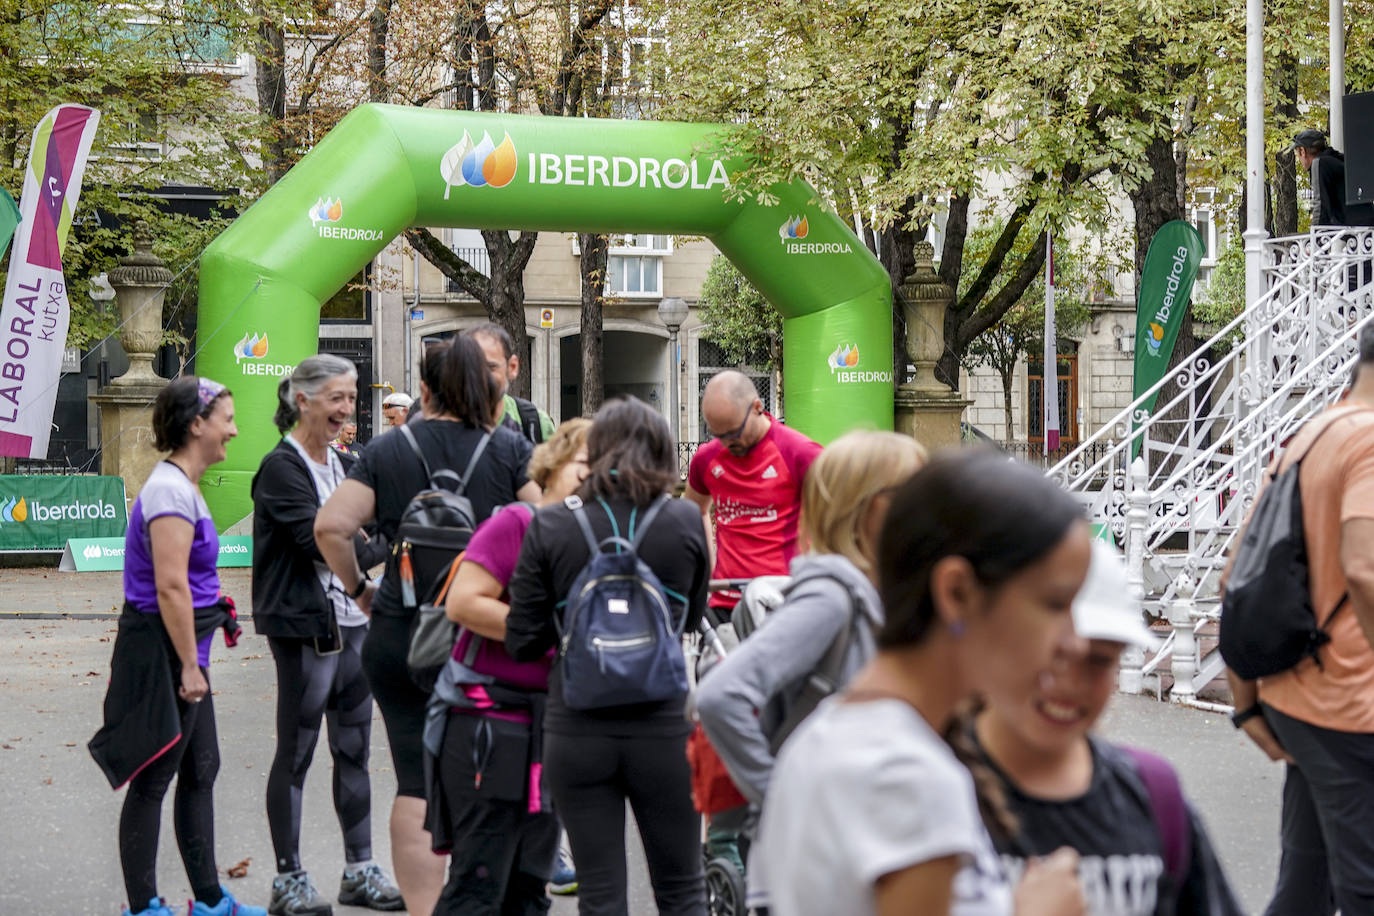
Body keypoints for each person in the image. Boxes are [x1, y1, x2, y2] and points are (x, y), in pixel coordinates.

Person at [753, 449, 1090, 916]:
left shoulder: (822, 739)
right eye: (1054, 604)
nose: (1074, 642)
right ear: (957, 593)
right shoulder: (906, 777)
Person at [316, 336, 541, 916]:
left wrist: (362, 590)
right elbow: (545, 531)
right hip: (480, 636)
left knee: (414, 777)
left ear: (423, 388)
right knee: (491, 774)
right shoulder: (508, 447)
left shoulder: (390, 449)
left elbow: (332, 528)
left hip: (402, 633)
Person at [694, 430, 926, 901]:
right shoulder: (830, 596)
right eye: (912, 494)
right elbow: (720, 697)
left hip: (861, 845)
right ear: (865, 507)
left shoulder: (880, 592)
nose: (927, 508)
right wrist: (785, 796)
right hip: (820, 864)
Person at [506, 397, 711, 916]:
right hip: (664, 724)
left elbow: (522, 639)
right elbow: (688, 620)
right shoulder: (684, 520)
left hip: (576, 724)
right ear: (663, 451)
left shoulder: (550, 526)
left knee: (600, 891)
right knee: (683, 887)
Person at [968, 541, 1244, 916]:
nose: (1069, 683)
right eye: (1053, 653)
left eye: (1099, 661)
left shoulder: (1152, 795)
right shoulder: (928, 797)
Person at [90, 377, 267, 916]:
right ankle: (144, 907)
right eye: (227, 419)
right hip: (164, 655)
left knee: (200, 769)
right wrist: (190, 665)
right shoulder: (168, 491)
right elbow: (170, 586)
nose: (234, 430)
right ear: (197, 424)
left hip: (187, 654)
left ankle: (210, 901)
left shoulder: (182, 487)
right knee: (154, 778)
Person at [1225, 323, 1374, 916]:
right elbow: (1364, 569)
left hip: (1298, 700)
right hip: (1349, 706)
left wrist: (1248, 705)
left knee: (1304, 891)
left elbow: (1235, 571)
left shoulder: (1311, 436)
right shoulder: (1368, 443)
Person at [251, 355, 402, 915]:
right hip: (306, 628)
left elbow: (365, 535)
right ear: (302, 399)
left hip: (355, 624)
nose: (347, 409)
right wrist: (373, 538)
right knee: (297, 751)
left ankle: (359, 869)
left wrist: (367, 538)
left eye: (352, 396)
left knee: (355, 749)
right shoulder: (280, 469)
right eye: (337, 398)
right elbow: (323, 546)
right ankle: (288, 879)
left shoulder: (344, 465)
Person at [431, 418, 592, 913]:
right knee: (477, 888)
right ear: (554, 464)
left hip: (551, 729)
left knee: (528, 891)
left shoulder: (594, 537)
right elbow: (463, 604)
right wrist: (555, 636)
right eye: (586, 465)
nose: (595, 477)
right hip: (487, 726)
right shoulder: (517, 523)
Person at [685, 370, 821, 617]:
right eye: (718, 435)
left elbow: (841, 513)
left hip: (784, 598)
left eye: (733, 434)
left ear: (757, 407)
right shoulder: (707, 458)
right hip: (726, 600)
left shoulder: (799, 452)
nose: (726, 443)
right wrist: (711, 568)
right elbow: (693, 511)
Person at [466, 323, 555, 444]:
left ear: (512, 367)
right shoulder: (444, 424)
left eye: (491, 367)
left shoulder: (536, 423)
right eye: (472, 367)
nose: (482, 376)